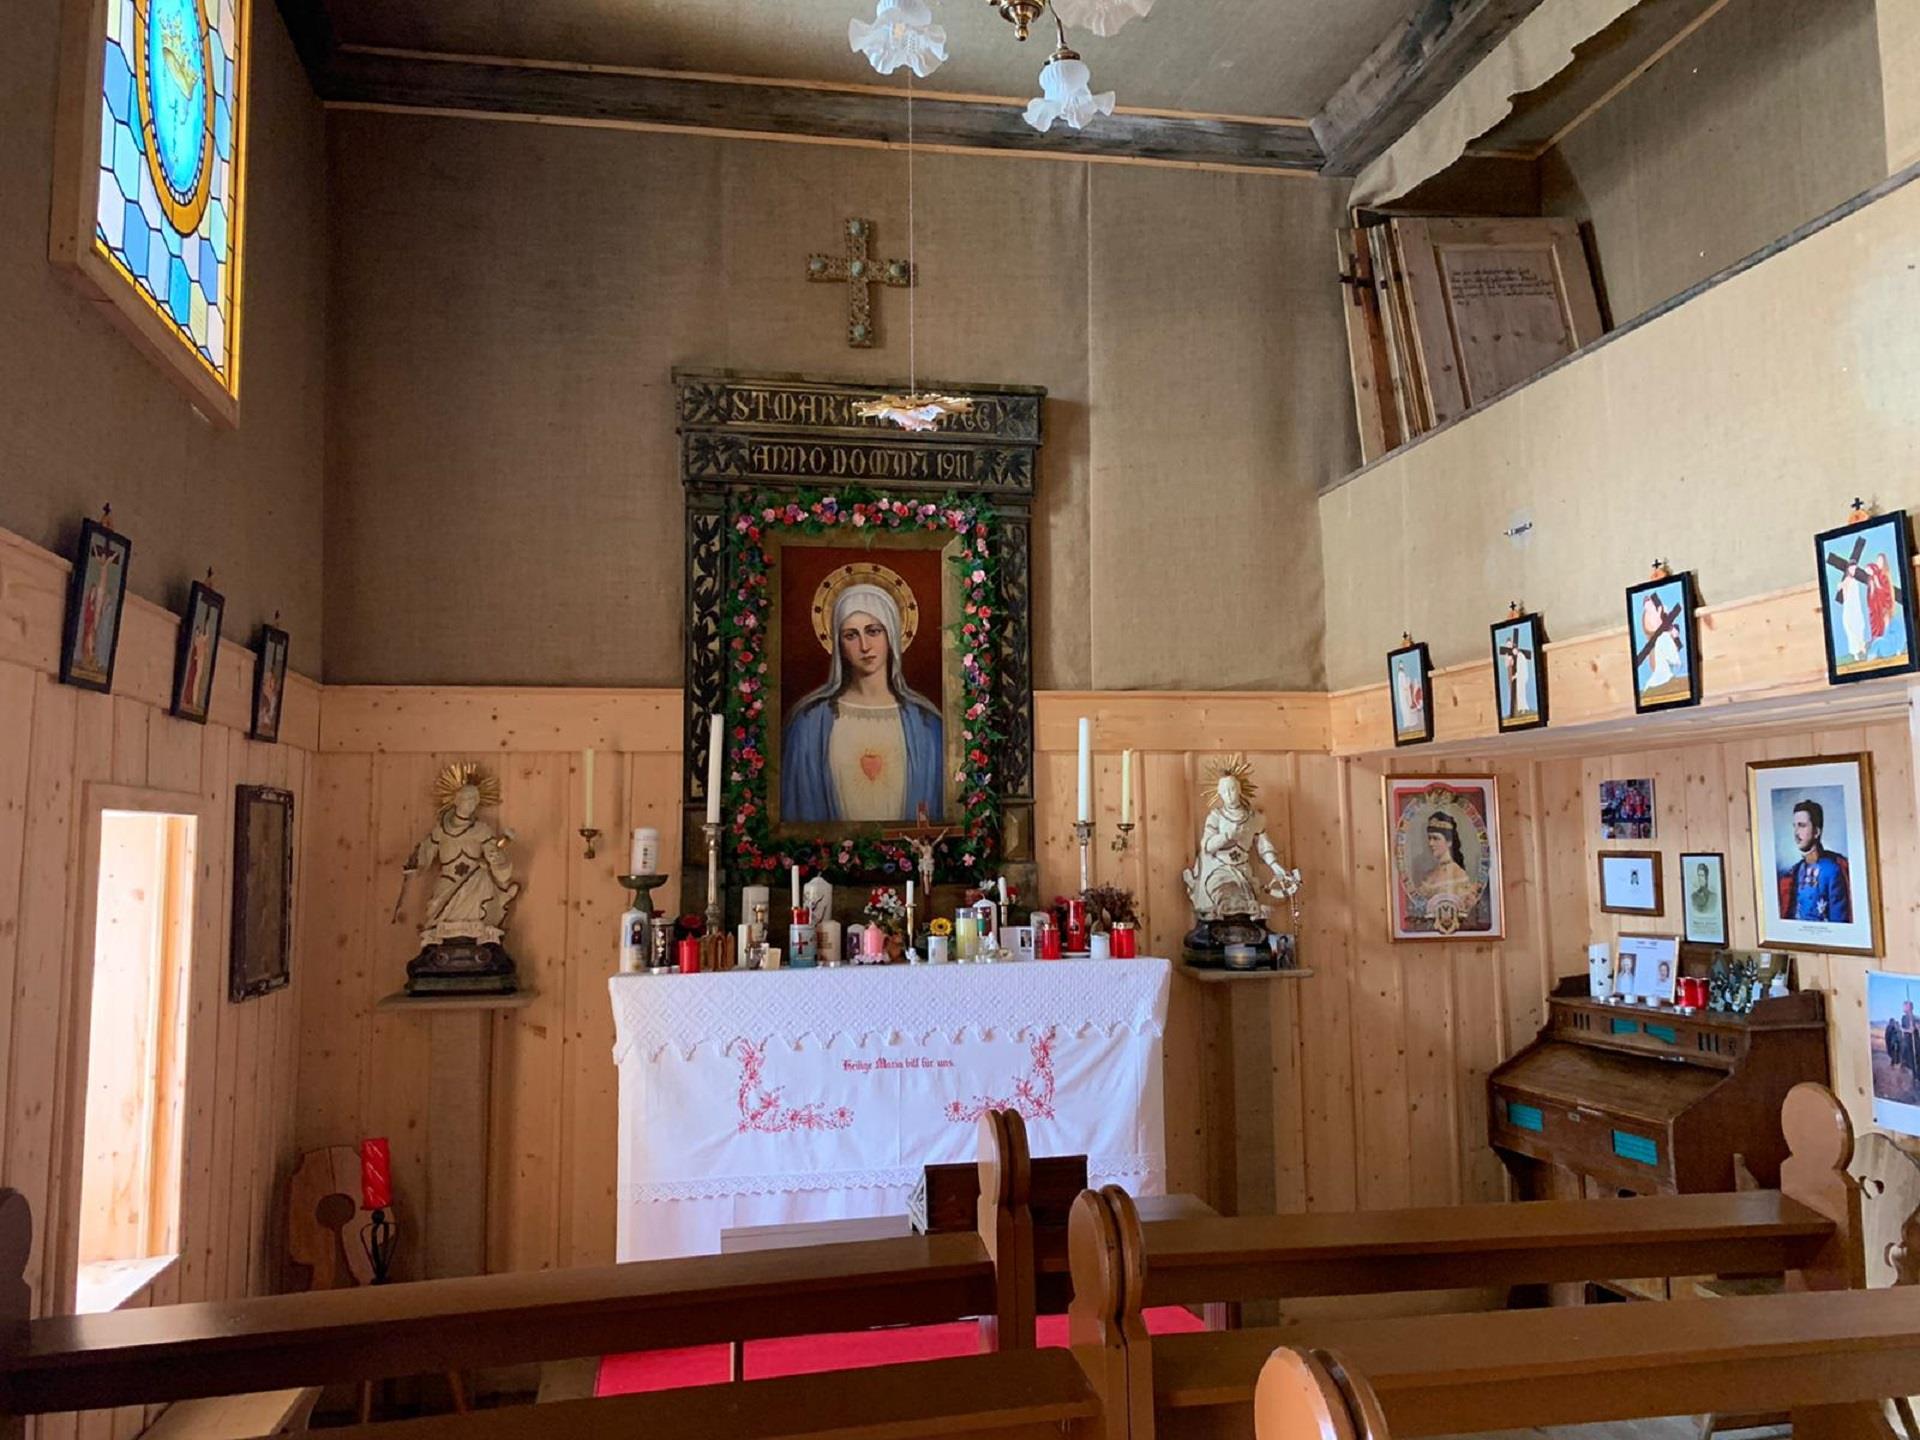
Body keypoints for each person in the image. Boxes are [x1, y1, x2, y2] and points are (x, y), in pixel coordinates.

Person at [781, 583, 944, 824]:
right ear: (839, 646)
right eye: (851, 635)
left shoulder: (926, 724)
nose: (864, 646)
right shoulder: (809, 722)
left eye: (873, 631)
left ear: (891, 636)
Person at [1778, 798, 1851, 923]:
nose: (1796, 833)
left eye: (1802, 826)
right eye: (1794, 826)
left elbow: (1840, 922)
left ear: (1816, 832)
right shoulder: (1794, 872)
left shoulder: (1832, 870)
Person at [1888, 999, 1920, 1075]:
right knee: (1905, 1059)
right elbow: (1903, 1029)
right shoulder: (1904, 1018)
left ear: (1910, 1007)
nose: (1904, 1008)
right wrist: (1909, 1030)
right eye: (1904, 1006)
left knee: (1916, 1060)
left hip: (1915, 1042)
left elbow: (1918, 1027)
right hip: (1906, 1042)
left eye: (1905, 1006)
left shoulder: (1916, 1018)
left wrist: (1916, 1027)